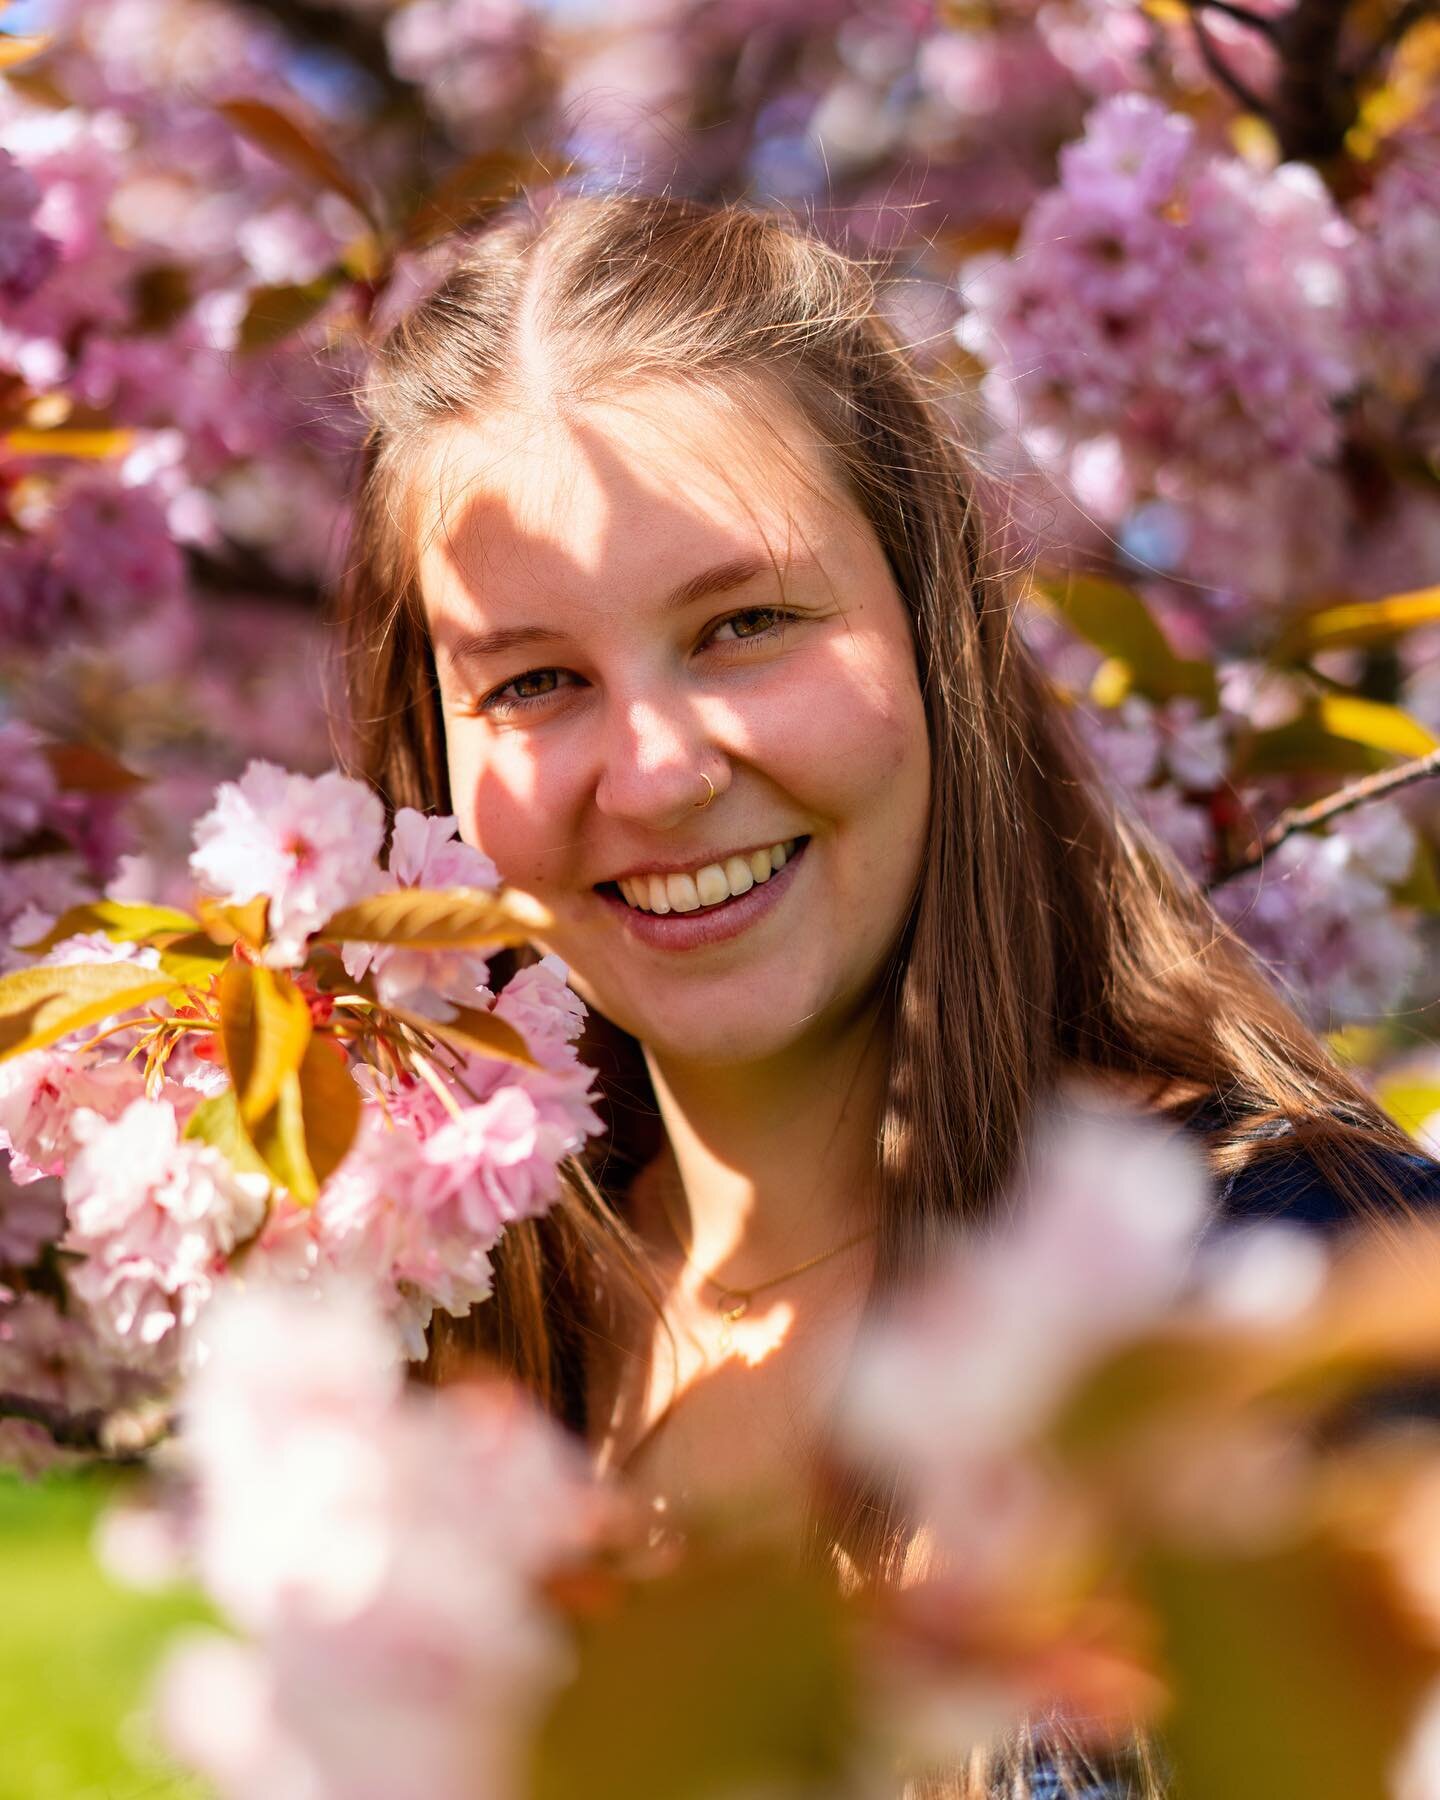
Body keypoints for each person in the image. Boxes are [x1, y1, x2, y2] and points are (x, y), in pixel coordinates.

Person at [334, 189, 1440, 1797]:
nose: (652, 775)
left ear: (936, 635)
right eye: (536, 680)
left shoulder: (1307, 1305)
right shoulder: (462, 1368)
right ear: (434, 752)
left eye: (746, 625)